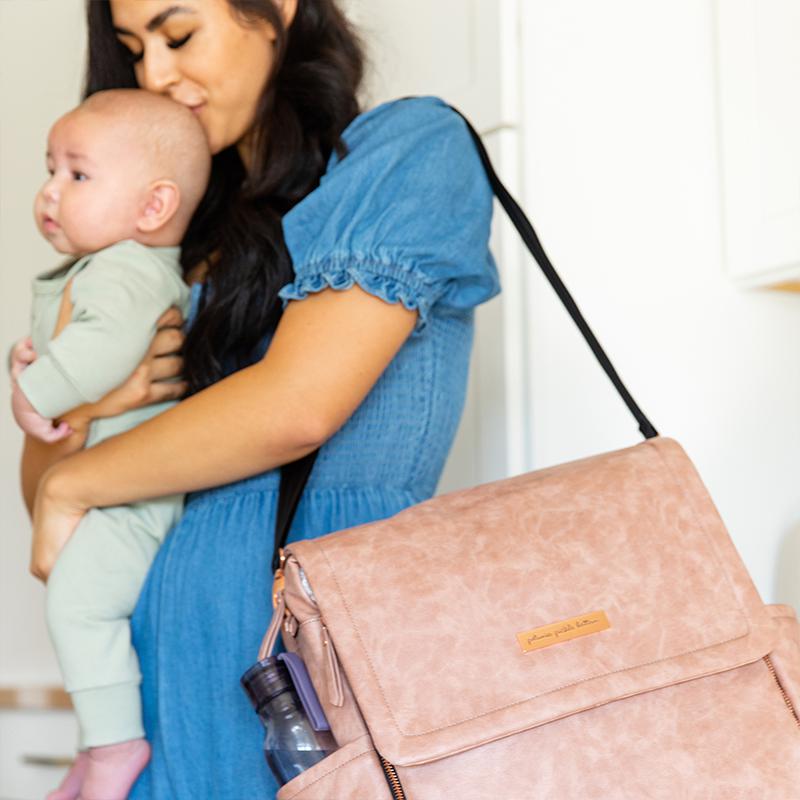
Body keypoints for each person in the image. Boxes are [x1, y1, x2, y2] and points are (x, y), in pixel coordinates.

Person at [22, 1, 500, 797]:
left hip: (314, 687)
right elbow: (39, 492)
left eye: (178, 35)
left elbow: (296, 407)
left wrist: (76, 480)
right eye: (133, 49)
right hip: (156, 701)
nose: (154, 74)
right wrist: (86, 417)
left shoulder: (406, 152)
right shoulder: (164, 239)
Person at [9, 89, 211, 800]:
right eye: (50, 169)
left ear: (153, 206)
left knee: (80, 608)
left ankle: (114, 747)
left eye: (77, 174)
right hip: (111, 489)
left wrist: (31, 393)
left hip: (134, 500)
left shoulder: (126, 269)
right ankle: (97, 745)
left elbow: (99, 354)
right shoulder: (107, 268)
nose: (50, 191)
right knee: (80, 611)